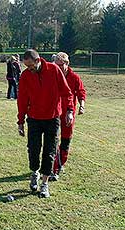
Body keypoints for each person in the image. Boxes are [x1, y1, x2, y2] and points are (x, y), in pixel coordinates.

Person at [17, 49, 73, 198]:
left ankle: (44, 184)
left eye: (31, 66)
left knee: (49, 151)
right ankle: (34, 172)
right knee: (33, 149)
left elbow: (66, 92)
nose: (29, 69)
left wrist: (69, 110)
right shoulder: (26, 75)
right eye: (27, 66)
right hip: (34, 118)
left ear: (38, 60)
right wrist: (20, 121)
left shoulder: (53, 69)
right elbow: (22, 99)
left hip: (52, 118)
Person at [50, 52, 87, 181]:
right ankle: (52, 166)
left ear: (66, 64)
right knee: (53, 140)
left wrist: (82, 106)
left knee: (65, 141)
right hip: (54, 112)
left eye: (60, 65)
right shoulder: (53, 76)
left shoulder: (74, 77)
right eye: (56, 65)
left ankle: (60, 165)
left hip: (68, 114)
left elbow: (81, 92)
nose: (58, 67)